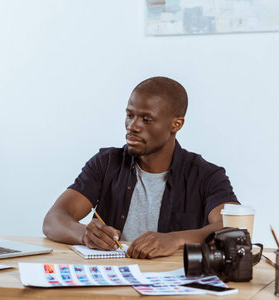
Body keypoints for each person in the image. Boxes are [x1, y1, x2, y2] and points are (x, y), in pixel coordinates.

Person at [42, 76, 239, 259]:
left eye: (146, 119)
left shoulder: (206, 175)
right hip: (112, 278)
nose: (132, 126)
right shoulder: (106, 163)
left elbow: (235, 226)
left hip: (173, 285)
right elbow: (53, 219)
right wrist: (85, 234)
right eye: (130, 115)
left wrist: (177, 239)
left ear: (176, 124)